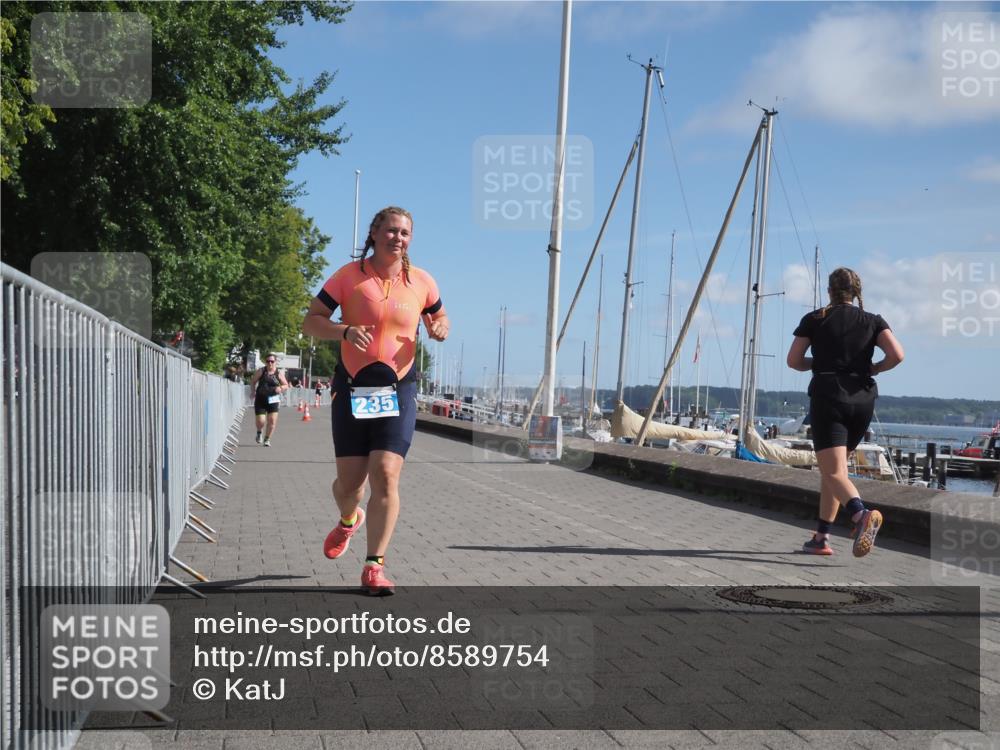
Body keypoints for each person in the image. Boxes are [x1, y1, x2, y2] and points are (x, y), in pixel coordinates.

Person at [302, 206, 449, 595]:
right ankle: (349, 518)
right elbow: (311, 319)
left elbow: (440, 316)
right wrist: (344, 331)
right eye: (391, 231)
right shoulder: (349, 277)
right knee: (349, 485)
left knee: (385, 472)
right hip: (353, 387)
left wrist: (439, 327)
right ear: (374, 232)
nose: (397, 238)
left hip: (398, 387)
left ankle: (374, 566)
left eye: (405, 233)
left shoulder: (421, 281)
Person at [787, 267, 904, 557]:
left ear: (829, 291)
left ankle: (860, 514)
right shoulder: (873, 321)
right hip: (863, 400)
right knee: (835, 471)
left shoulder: (815, 319)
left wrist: (818, 362)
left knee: (833, 471)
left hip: (829, 397)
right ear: (856, 293)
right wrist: (875, 367)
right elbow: (897, 355)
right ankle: (821, 538)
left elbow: (794, 360)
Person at [250, 354, 290, 447]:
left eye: (272, 361)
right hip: (261, 399)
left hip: (273, 399)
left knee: (272, 420)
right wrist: (253, 391)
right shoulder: (261, 371)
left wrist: (280, 388)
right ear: (265, 362)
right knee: (261, 421)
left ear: (275, 362)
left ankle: (267, 439)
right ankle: (259, 432)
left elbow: (286, 385)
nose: (270, 363)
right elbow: (253, 381)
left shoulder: (278, 373)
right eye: (268, 361)